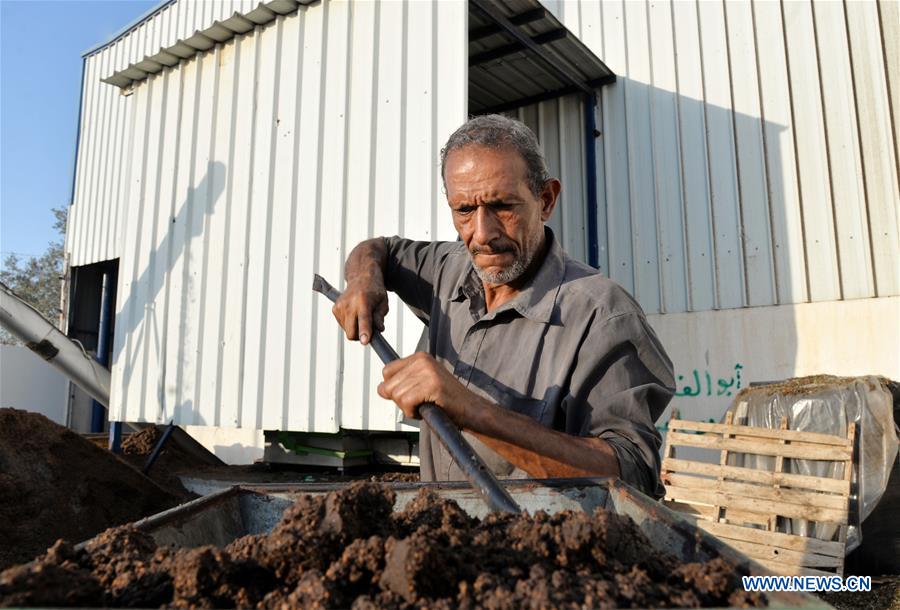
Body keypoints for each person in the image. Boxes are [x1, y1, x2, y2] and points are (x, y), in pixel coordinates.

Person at [332, 114, 675, 498]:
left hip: (535, 549)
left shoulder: (603, 317)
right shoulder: (449, 268)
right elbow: (380, 249)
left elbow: (632, 474)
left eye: (502, 206)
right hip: (439, 535)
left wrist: (472, 411)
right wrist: (363, 278)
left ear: (545, 200)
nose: (482, 235)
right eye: (464, 210)